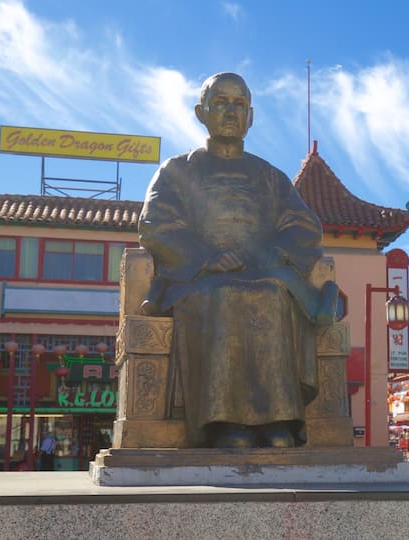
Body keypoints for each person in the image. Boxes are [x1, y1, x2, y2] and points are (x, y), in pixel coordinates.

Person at [138, 72, 337, 449]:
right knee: (226, 292)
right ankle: (225, 423)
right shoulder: (178, 170)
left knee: (275, 292)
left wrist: (276, 251)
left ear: (251, 116)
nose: (231, 111)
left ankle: (280, 419)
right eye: (221, 102)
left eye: (239, 104)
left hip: (263, 273)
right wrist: (206, 258)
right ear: (201, 112)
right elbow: (155, 224)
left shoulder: (270, 176)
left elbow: (303, 225)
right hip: (198, 277)